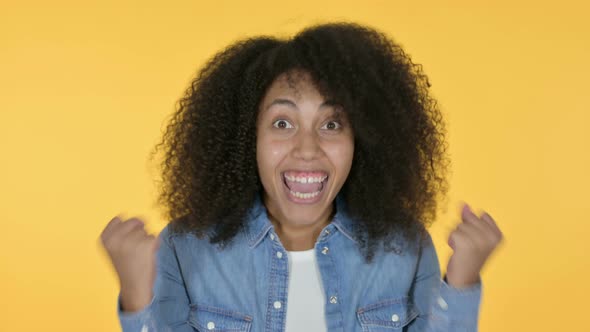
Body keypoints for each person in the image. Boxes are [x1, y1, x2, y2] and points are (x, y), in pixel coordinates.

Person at [99, 22, 503, 332]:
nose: (307, 149)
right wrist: (137, 293)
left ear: (363, 137)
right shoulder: (186, 248)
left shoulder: (404, 246)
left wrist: (463, 279)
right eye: (282, 122)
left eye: (331, 124)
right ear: (245, 138)